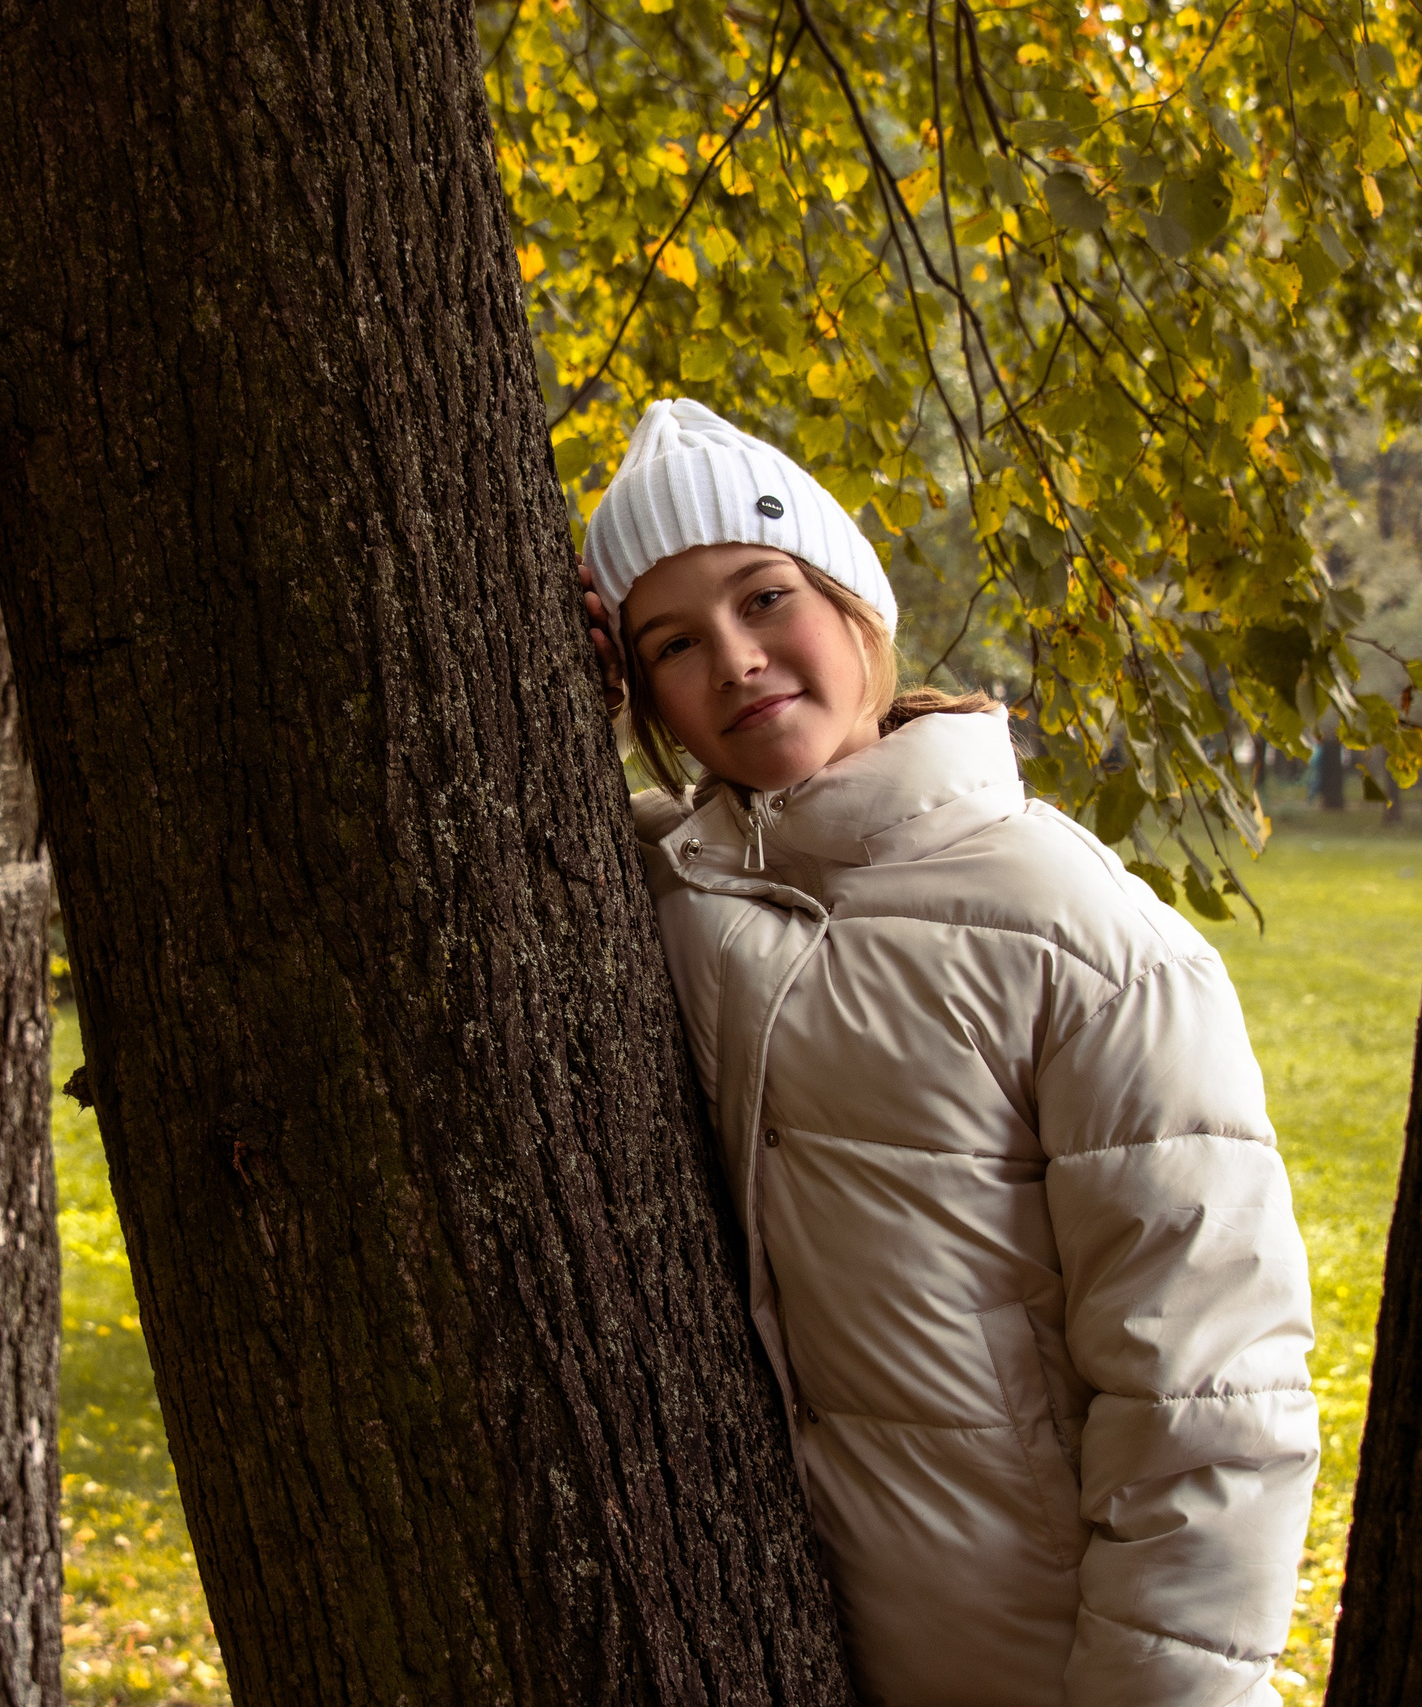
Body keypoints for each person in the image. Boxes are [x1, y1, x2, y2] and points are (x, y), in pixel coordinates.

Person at [576, 399, 1317, 1707]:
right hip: (796, 1651)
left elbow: (1206, 1383)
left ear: (856, 604)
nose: (736, 660)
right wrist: (546, 708)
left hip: (1047, 1668)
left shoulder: (1080, 935)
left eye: (766, 597)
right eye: (673, 644)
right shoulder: (676, 894)